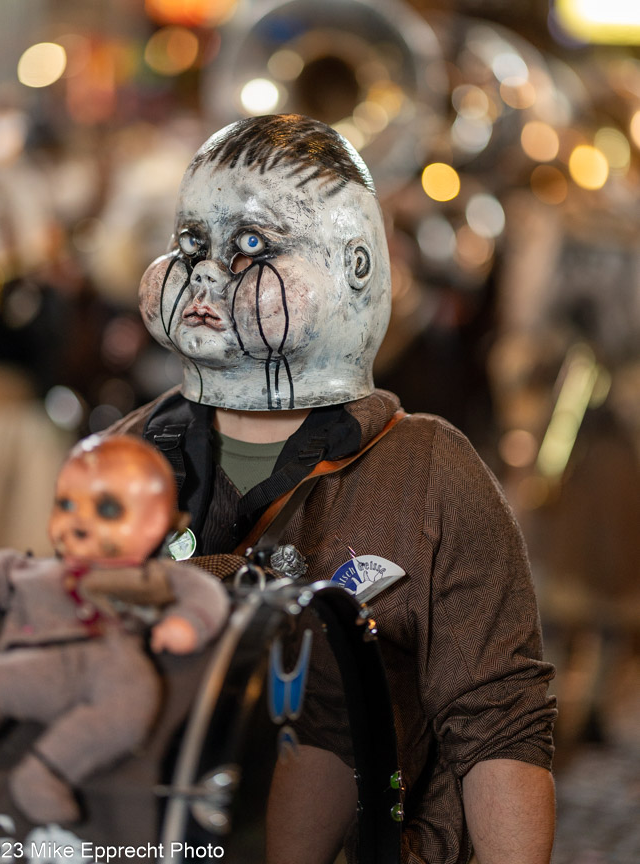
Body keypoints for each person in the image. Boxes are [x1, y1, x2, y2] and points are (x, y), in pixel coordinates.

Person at [109, 114, 557, 864]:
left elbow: (498, 725)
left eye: (250, 245)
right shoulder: (124, 453)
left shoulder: (430, 475)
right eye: (192, 243)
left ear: (353, 265)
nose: (209, 272)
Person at [0, 434, 229, 825]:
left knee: (133, 703)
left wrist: (187, 622)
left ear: (154, 525)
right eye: (66, 505)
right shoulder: (22, 570)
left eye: (106, 509)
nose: (79, 521)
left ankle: (47, 769)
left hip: (110, 663)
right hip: (34, 664)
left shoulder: (148, 577)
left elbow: (204, 591)